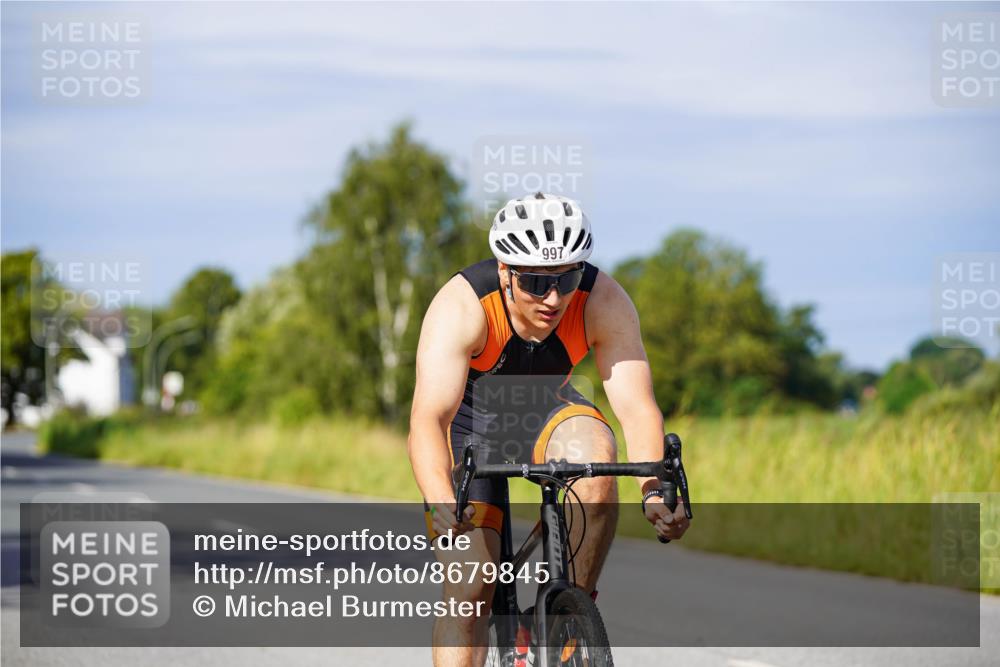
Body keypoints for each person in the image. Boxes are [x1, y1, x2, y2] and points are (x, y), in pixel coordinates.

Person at [408, 192, 690, 667]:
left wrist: (653, 490)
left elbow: (637, 408)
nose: (554, 299)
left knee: (597, 466)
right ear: (506, 272)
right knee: (471, 584)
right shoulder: (462, 306)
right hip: (469, 426)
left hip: (546, 409)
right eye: (537, 282)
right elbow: (428, 419)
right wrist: (440, 500)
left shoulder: (604, 300)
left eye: (567, 279)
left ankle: (564, 623)